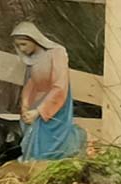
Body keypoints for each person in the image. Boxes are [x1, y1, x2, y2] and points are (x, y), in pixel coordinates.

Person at [11, 21, 87, 161]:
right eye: (18, 45)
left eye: (24, 44)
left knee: (47, 136)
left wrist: (39, 111)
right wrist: (25, 104)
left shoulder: (57, 53)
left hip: (55, 102)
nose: (21, 49)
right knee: (30, 128)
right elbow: (32, 82)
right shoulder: (32, 58)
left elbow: (60, 85)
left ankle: (71, 144)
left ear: (34, 39)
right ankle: (33, 156)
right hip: (37, 100)